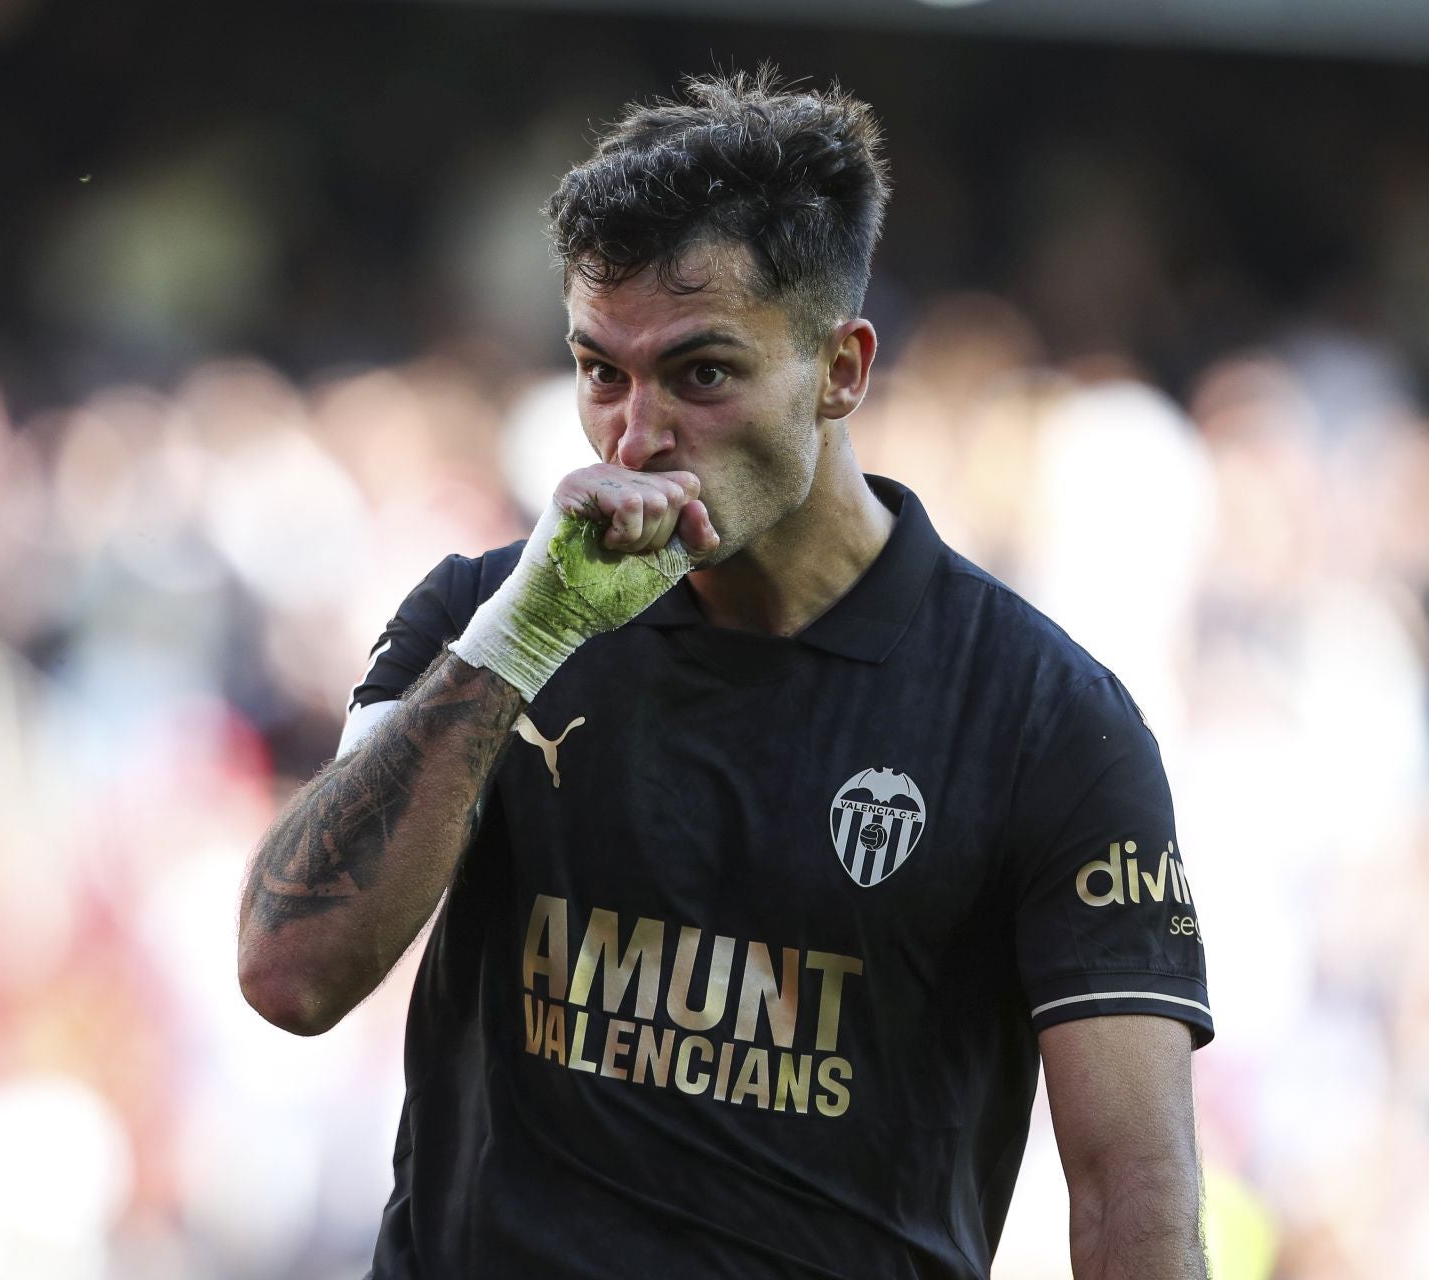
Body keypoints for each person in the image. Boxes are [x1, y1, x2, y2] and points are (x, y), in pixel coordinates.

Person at [236, 69, 1213, 1280]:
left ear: (842, 370)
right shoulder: (482, 622)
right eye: (602, 372)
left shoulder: (1046, 718)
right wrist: (517, 644)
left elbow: (1135, 1196)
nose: (637, 436)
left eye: (701, 374)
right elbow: (290, 973)